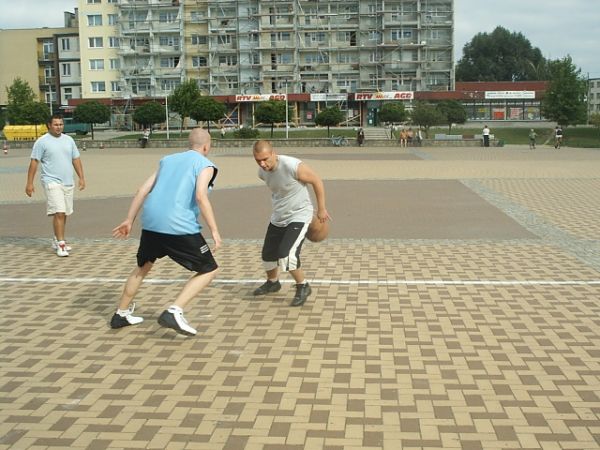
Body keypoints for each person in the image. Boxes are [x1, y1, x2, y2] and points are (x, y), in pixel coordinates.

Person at [110, 128, 221, 336]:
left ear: (189, 144)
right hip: (178, 225)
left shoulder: (167, 160)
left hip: (151, 223)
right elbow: (200, 196)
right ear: (207, 146)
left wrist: (129, 219)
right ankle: (174, 311)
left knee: (143, 266)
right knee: (209, 269)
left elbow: (142, 190)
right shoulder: (205, 164)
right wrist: (214, 230)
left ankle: (121, 313)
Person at [252, 140, 331, 306]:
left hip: (299, 215)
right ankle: (273, 283)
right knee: (268, 254)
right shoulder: (262, 172)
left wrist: (321, 209)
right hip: (279, 217)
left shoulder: (292, 166)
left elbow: (317, 181)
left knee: (286, 254)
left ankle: (303, 286)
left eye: (265, 159)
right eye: (258, 160)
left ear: (273, 153)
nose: (262, 163)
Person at [25, 113, 86, 257]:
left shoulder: (69, 140)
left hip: (67, 181)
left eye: (61, 124)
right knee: (58, 211)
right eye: (56, 124)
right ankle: (61, 244)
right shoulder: (42, 142)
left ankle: (56, 238)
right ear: (49, 125)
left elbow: (76, 159)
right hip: (51, 181)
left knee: (64, 213)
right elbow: (34, 162)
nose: (59, 127)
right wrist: (29, 183)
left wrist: (81, 178)